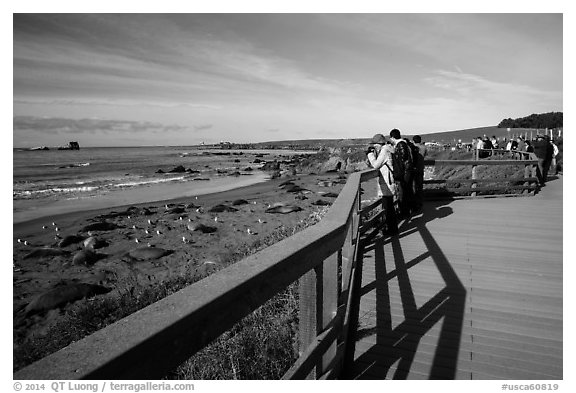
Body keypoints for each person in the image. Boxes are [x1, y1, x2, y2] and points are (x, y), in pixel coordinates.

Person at [366, 133, 398, 233]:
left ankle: (391, 230)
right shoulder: (389, 148)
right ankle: (392, 229)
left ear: (379, 144)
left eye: (375, 145)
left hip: (387, 183)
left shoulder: (384, 151)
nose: (374, 147)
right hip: (391, 181)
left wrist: (370, 154)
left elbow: (376, 165)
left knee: (387, 208)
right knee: (389, 207)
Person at [389, 128, 414, 217]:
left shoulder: (401, 144)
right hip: (407, 171)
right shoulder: (404, 143)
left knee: (403, 192)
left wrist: (394, 153)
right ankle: (407, 210)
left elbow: (402, 158)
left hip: (404, 172)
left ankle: (404, 212)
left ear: (392, 137)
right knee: (406, 191)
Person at [411, 135, 427, 211]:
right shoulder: (424, 147)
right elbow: (425, 155)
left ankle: (415, 204)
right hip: (421, 168)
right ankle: (420, 203)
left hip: (413, 169)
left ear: (413, 141)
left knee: (413, 187)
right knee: (420, 186)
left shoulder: (412, 147)